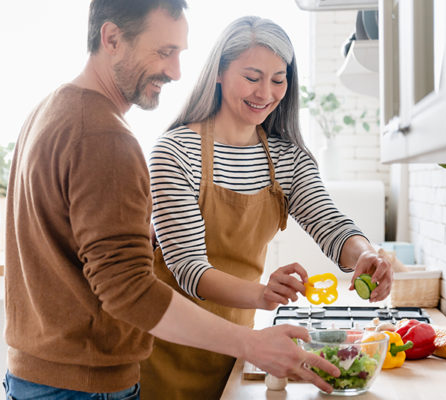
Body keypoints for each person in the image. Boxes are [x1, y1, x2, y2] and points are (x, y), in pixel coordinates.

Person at [3, 2, 340, 399]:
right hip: (85, 384)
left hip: (39, 373)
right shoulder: (105, 137)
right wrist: (252, 343)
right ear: (111, 38)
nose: (176, 71)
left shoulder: (51, 111)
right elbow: (129, 289)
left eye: (179, 53)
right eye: (164, 52)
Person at [141, 15, 393, 399]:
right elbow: (189, 269)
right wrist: (263, 293)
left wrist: (366, 255)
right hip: (165, 351)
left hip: (238, 348)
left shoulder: (287, 159)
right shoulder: (175, 152)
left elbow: (330, 224)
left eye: (278, 79)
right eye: (252, 76)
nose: (266, 92)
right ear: (220, 72)